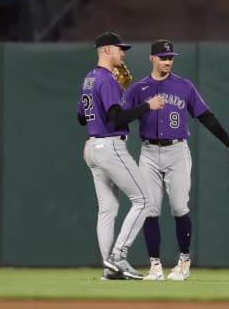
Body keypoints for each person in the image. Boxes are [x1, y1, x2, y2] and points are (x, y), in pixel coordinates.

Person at [126, 39, 229, 281]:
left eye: (170, 57)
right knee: (150, 209)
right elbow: (122, 118)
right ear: (152, 58)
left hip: (177, 152)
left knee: (179, 207)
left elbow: (206, 117)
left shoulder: (184, 86)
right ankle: (155, 265)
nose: (168, 61)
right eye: (163, 57)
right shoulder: (139, 89)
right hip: (148, 152)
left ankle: (184, 261)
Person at [76, 31, 164, 280]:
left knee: (107, 209)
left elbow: (81, 117)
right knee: (145, 201)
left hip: (95, 147)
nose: (122, 53)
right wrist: (148, 106)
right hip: (111, 147)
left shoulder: (89, 79)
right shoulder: (106, 80)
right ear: (107, 50)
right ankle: (118, 257)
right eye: (119, 49)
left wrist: (94, 134)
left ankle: (109, 268)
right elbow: (117, 117)